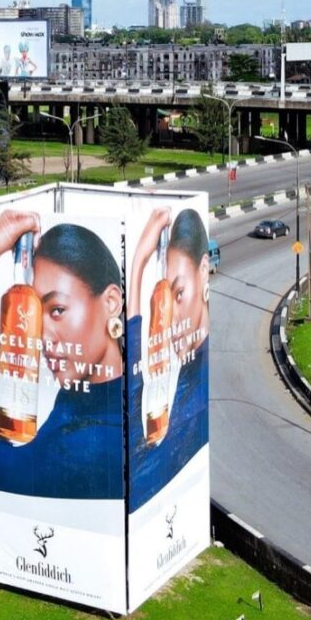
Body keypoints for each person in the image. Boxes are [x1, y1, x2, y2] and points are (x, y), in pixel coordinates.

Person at [0, 210, 125, 500]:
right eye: (36, 314)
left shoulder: (88, 444)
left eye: (57, 310)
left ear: (111, 302)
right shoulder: (89, 405)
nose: (42, 336)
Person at [126, 207, 210, 511]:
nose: (170, 317)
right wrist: (137, 266)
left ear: (203, 271)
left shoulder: (196, 383)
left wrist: (136, 268)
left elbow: (141, 447)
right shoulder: (181, 369)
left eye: (179, 295)